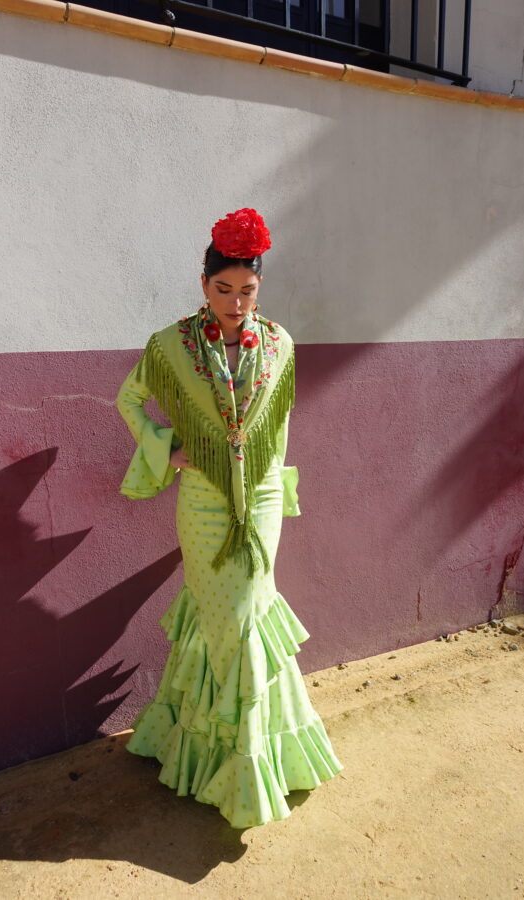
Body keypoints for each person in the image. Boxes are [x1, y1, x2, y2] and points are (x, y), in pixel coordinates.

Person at [115, 208, 343, 829]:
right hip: (205, 502)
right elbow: (129, 399)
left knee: (249, 615)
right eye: (223, 289)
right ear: (203, 283)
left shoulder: (279, 344)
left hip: (261, 500)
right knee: (226, 622)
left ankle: (243, 756)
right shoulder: (170, 345)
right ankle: (224, 756)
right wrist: (170, 448)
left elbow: (282, 424)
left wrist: (274, 491)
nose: (236, 302)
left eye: (247, 291)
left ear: (259, 288)